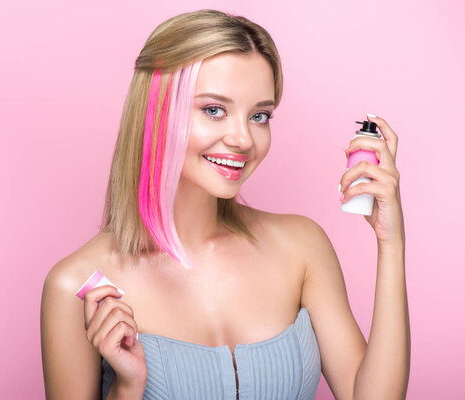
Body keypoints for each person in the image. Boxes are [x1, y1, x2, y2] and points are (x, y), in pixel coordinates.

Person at [40, 9, 410, 400]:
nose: (243, 139)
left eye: (259, 115)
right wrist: (128, 388)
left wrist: (391, 243)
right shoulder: (78, 286)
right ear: (156, 111)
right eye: (214, 110)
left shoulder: (301, 247)